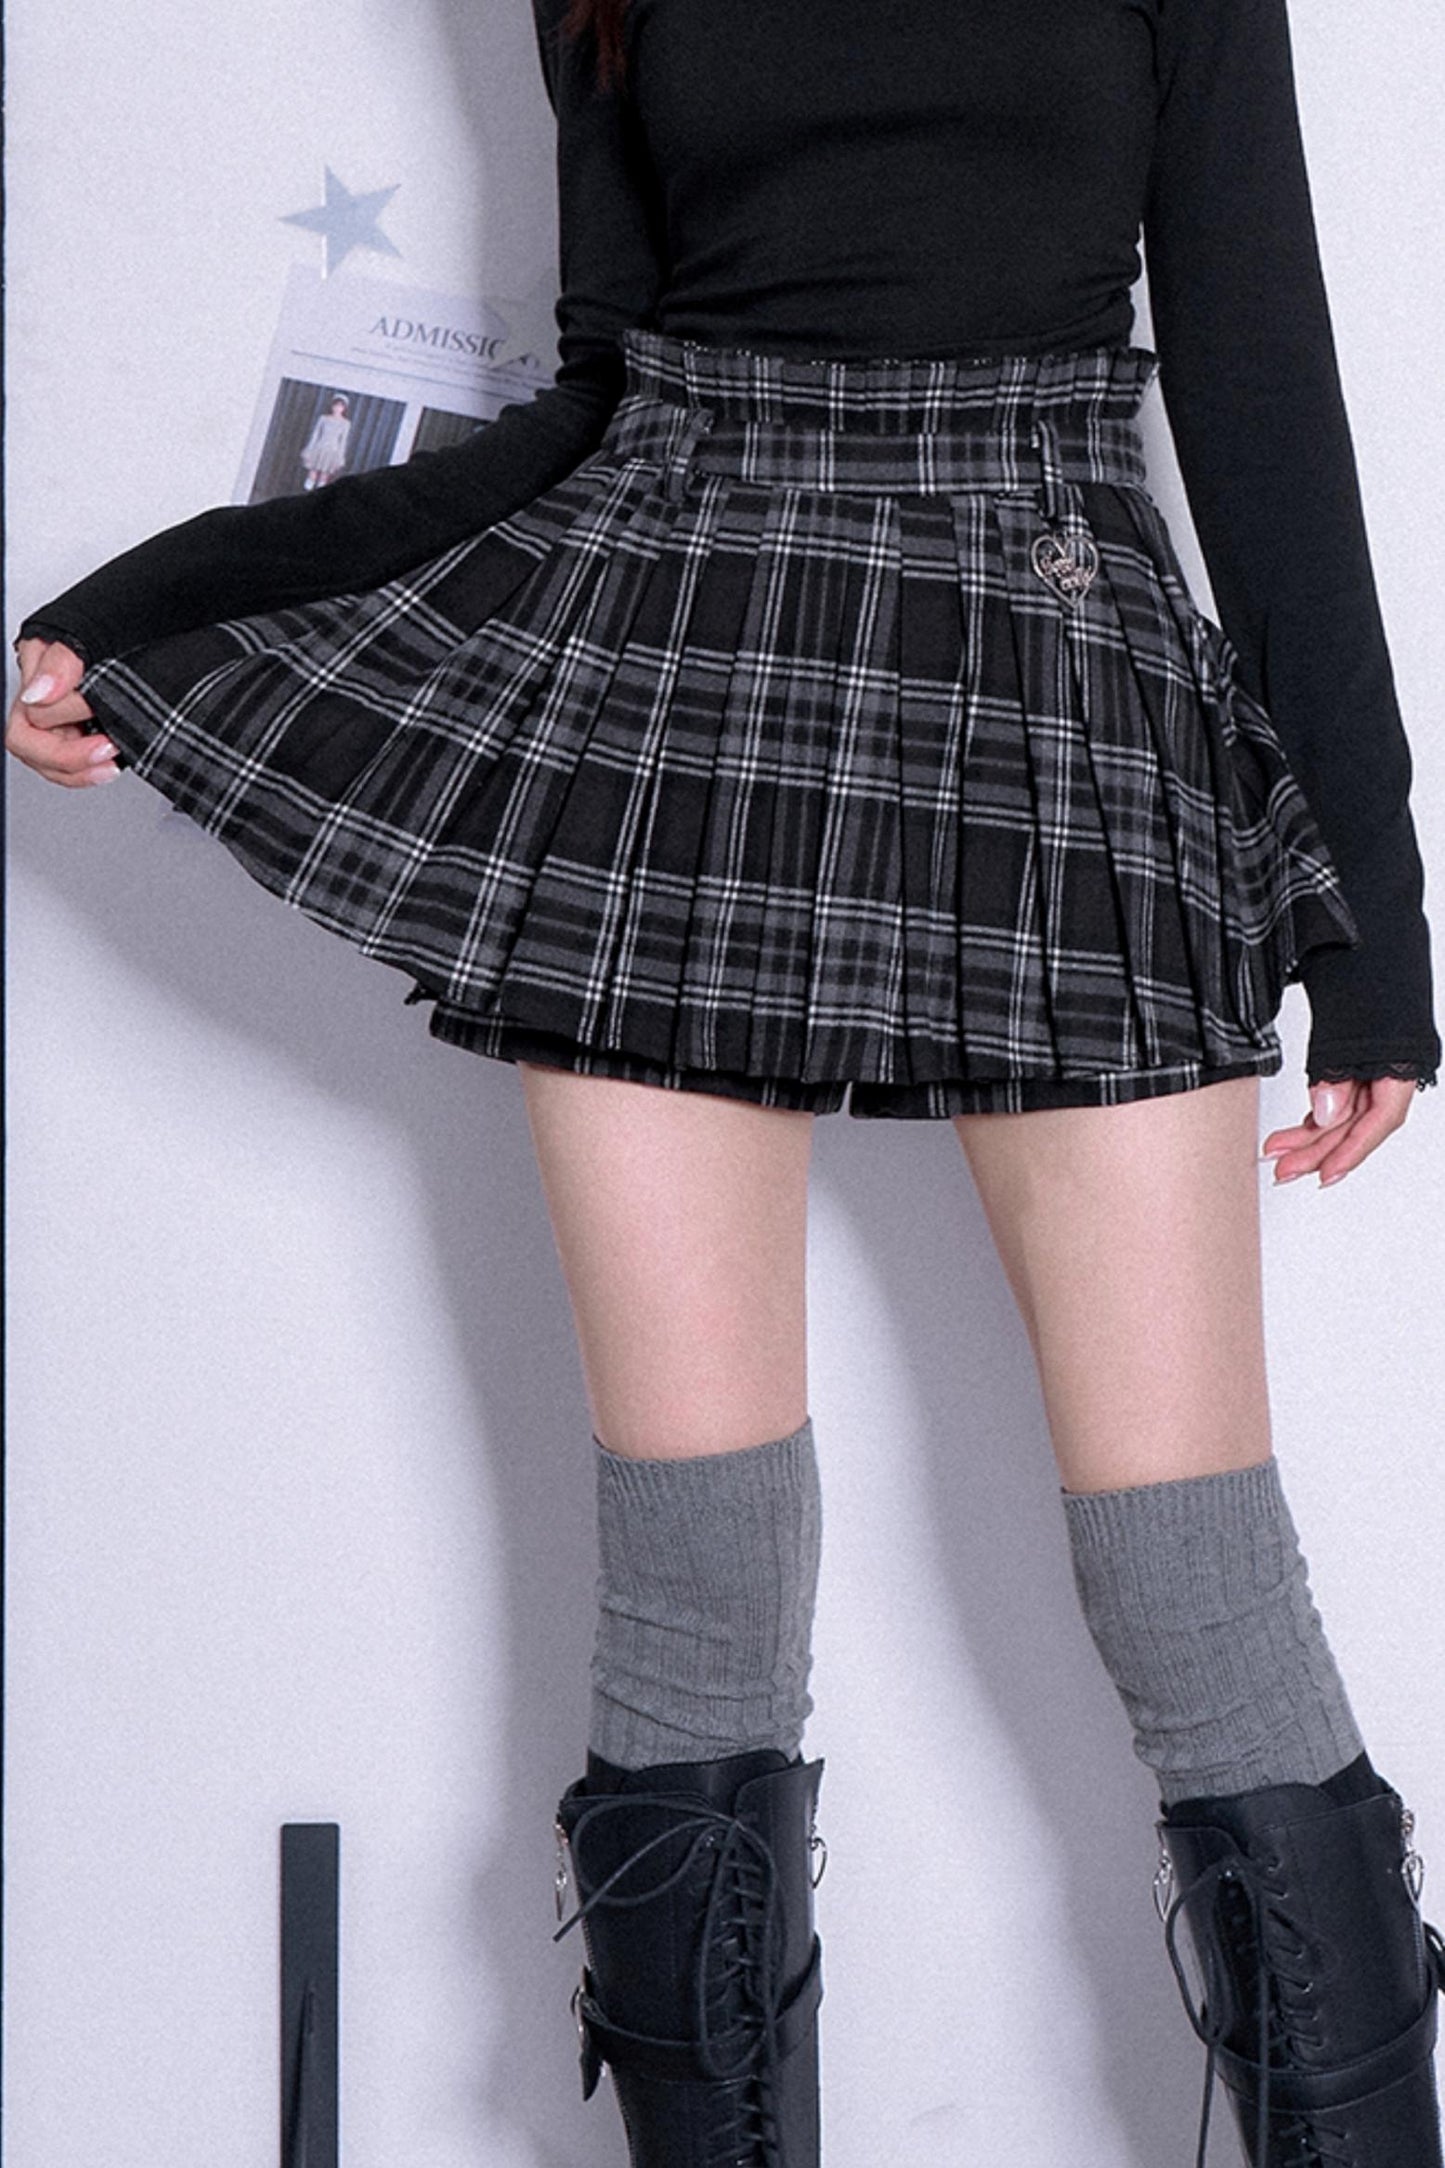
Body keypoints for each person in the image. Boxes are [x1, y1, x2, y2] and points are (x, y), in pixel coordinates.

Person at [8, 0, 1445, 2160]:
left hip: (1056, 679)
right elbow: (595, 399)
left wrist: (1374, 939)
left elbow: (1263, 394)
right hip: (687, 690)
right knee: (689, 1586)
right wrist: (164, 597)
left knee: (1191, 1576)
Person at [299, 393, 352, 490]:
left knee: (324, 476)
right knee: (312, 474)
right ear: (332, 406)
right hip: (319, 448)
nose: (337, 408)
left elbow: (343, 442)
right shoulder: (323, 418)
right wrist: (309, 449)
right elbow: (315, 435)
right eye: (336, 405)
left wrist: (340, 457)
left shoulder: (346, 423)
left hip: (332, 452)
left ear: (344, 408)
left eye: (341, 406)